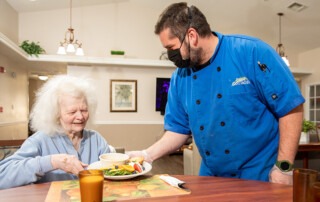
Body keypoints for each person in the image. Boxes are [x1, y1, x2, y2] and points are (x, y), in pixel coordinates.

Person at [128, 2, 304, 185]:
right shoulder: (180, 77)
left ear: (192, 36)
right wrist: (146, 155)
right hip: (211, 176)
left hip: (259, 174)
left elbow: (291, 108)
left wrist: (284, 167)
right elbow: (177, 130)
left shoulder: (250, 52)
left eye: (171, 48)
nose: (170, 55)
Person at [0, 75, 111, 189]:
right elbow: (2, 176)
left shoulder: (95, 139)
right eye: (72, 112)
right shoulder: (40, 140)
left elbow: (113, 172)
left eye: (84, 110)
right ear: (56, 113)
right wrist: (53, 162)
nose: (80, 116)